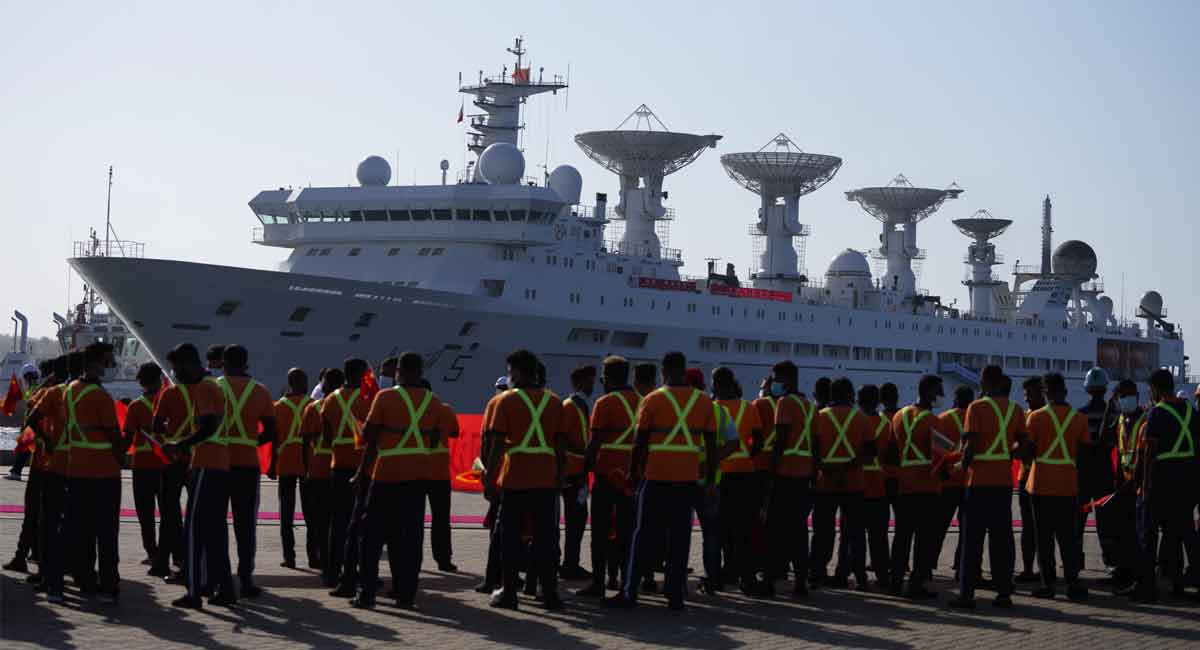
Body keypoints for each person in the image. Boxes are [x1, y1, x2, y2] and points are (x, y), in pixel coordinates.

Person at [608, 350, 717, 611]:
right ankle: (675, 595)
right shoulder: (703, 402)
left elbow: (640, 443)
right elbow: (711, 448)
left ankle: (630, 591)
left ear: (664, 370)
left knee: (642, 535)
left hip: (655, 477)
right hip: (687, 479)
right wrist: (711, 481)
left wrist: (633, 476)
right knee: (680, 538)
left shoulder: (653, 400)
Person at [353, 351, 453, 609]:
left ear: (399, 371)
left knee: (372, 537)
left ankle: (366, 594)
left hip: (386, 474)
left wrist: (362, 474)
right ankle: (405, 595)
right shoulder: (434, 401)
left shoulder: (385, 397)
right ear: (421, 372)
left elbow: (370, 438)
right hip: (419, 475)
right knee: (409, 538)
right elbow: (434, 439)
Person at [485, 349, 566, 610]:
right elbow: (560, 445)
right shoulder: (554, 401)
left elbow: (497, 444)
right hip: (546, 479)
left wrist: (489, 478)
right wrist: (560, 476)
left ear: (518, 372)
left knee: (509, 535)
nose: (509, 377)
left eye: (510, 372)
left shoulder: (505, 401)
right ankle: (549, 592)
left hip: (515, 478)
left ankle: (509, 592)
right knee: (546, 537)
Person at [39, 343, 121, 604]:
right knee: (106, 534)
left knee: (71, 529)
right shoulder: (102, 397)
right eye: (108, 362)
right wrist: (120, 457)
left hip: (76, 469)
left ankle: (55, 585)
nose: (110, 367)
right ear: (96, 363)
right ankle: (107, 588)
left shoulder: (70, 391)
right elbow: (113, 436)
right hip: (104, 472)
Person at [157, 343, 234, 609]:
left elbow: (208, 425)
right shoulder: (216, 386)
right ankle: (224, 588)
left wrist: (181, 445)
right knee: (215, 531)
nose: (176, 373)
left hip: (207, 463)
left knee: (193, 531)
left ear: (188, 363)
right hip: (220, 462)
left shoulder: (202, 388)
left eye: (177, 367)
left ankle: (193, 592)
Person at [948, 366, 1024, 610]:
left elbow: (970, 447)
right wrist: (1005, 453)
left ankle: (967, 594)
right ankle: (1004, 593)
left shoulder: (976, 408)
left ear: (986, 381)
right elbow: (1024, 447)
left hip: (978, 481)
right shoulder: (1016, 410)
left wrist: (960, 466)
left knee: (973, 540)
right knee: (1002, 539)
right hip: (1003, 482)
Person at [1130, 369, 1199, 602]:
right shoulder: (1191, 411)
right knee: (1177, 534)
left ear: (1156, 389)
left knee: (1148, 536)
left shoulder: (1157, 413)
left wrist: (1145, 484)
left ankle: (1146, 588)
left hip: (1162, 480)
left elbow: (1150, 451)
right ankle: (1177, 585)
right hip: (1187, 481)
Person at [214, 344, 276, 598]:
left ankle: (221, 582)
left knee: (217, 523)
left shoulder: (214, 388)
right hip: (248, 464)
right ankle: (246, 578)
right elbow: (271, 431)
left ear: (223, 363)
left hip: (218, 463)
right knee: (245, 524)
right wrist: (250, 442)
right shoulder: (260, 392)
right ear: (247, 362)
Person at [1024, 372, 1091, 600]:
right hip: (1068, 486)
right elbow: (1083, 455)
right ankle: (1072, 583)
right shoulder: (1079, 419)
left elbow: (1028, 452)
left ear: (1046, 392)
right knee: (1068, 539)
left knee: (1044, 540)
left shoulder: (1035, 418)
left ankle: (1047, 584)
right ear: (1064, 390)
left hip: (1040, 484)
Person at [578, 356, 640, 598]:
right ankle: (626, 583)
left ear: (610, 377)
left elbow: (594, 443)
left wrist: (584, 470)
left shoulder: (604, 403)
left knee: (600, 533)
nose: (601, 379)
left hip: (606, 476)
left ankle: (598, 583)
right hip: (630, 477)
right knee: (627, 532)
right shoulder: (642, 401)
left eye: (604, 375)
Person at [810, 377, 872, 591]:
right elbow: (869, 453)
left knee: (822, 533)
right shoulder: (862, 419)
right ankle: (860, 578)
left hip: (824, 484)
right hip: (854, 484)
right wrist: (846, 469)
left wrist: (830, 470)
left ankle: (817, 574)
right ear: (851, 395)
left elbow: (814, 452)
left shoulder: (819, 417)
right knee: (855, 533)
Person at [885, 375, 942, 599]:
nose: (940, 397)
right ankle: (916, 585)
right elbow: (940, 458)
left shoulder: (898, 416)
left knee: (901, 537)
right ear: (928, 391)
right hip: (927, 486)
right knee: (923, 539)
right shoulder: (934, 422)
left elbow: (890, 454)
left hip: (902, 485)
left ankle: (895, 583)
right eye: (938, 391)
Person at [23, 354, 74, 591]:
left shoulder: (52, 393)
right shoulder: (79, 393)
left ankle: (46, 568)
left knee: (43, 516)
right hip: (75, 465)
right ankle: (71, 567)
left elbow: (31, 411)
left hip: (47, 463)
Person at [763, 361, 815, 595]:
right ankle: (801, 579)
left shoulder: (784, 403)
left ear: (789, 379)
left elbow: (780, 441)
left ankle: (769, 580)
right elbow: (816, 442)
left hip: (785, 473)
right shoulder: (808, 405)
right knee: (799, 529)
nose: (774, 382)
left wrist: (770, 474)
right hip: (804, 474)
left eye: (777, 378)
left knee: (774, 528)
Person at [714, 365, 765, 596]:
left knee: (722, 526)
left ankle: (728, 569)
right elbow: (760, 440)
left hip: (720, 473)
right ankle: (747, 576)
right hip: (746, 473)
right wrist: (749, 457)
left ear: (716, 385)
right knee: (744, 527)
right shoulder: (748, 407)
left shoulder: (713, 408)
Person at [323, 358, 371, 595]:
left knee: (338, 521)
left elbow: (325, 436)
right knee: (361, 523)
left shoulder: (331, 399)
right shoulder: (368, 398)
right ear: (362, 374)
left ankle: (332, 571)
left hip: (338, 464)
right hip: (363, 467)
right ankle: (357, 572)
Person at [3, 359, 56, 571]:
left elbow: (31, 400)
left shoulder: (41, 389)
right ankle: (36, 553)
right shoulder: (45, 387)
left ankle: (32, 554)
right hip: (38, 436)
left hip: (36, 434)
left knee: (35, 511)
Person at [846, 384, 891, 589]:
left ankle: (860, 578)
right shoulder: (886, 424)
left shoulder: (853, 422)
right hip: (878, 484)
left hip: (856, 481)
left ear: (858, 400)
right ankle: (882, 576)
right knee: (879, 536)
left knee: (855, 535)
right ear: (878, 401)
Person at [124, 363, 165, 566]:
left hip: (141, 466)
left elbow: (128, 437)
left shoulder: (136, 406)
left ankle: (152, 552)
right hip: (165, 464)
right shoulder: (170, 401)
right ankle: (171, 553)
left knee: (145, 513)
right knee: (168, 511)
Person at [1107, 379, 1145, 592]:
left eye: (1128, 394)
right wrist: (1108, 407)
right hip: (1123, 483)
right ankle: (1123, 573)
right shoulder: (1120, 420)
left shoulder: (1143, 419)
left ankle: (1135, 577)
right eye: (1121, 396)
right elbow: (1105, 439)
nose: (1126, 399)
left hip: (1137, 485)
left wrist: (1134, 481)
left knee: (1136, 534)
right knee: (1123, 532)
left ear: (1137, 396)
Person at [303, 368, 343, 572]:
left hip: (318, 470)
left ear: (324, 385)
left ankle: (316, 558)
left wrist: (306, 469)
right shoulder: (352, 406)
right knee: (339, 520)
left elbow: (305, 440)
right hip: (342, 468)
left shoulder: (312, 408)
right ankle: (338, 561)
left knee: (316, 520)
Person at [475, 375, 512, 595]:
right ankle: (498, 576)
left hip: (503, 477)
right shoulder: (501, 406)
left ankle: (496, 577)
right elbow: (485, 445)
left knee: (500, 530)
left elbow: (486, 445)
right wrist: (484, 475)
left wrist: (484, 476)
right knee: (501, 529)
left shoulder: (496, 407)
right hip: (503, 477)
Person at [559, 364, 596, 581]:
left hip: (577, 470)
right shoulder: (572, 406)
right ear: (579, 382)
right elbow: (564, 440)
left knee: (578, 520)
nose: (593, 385)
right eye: (590, 381)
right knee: (576, 519)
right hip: (573, 472)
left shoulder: (578, 405)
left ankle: (570, 562)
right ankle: (570, 564)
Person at [1078, 367, 1116, 570]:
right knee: (1106, 521)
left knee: (1079, 519)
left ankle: (1076, 560)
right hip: (1104, 471)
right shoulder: (1113, 413)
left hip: (1084, 471)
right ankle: (1110, 562)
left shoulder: (1080, 413)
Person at [272, 368, 311, 569]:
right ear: (304, 382)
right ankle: (315, 556)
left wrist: (271, 466)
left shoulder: (278, 406)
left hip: (285, 462)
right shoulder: (312, 405)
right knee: (311, 512)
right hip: (307, 463)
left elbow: (273, 437)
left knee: (285, 514)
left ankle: (289, 557)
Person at [933, 385, 973, 577]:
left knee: (938, 526)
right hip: (969, 481)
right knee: (967, 530)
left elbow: (937, 452)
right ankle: (961, 565)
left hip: (947, 480)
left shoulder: (943, 419)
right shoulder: (975, 417)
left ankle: (929, 564)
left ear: (955, 399)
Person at [1015, 375, 1047, 583]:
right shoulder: (1025, 416)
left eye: (1030, 395)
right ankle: (1029, 569)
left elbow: (1023, 450)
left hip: (1041, 478)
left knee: (1042, 529)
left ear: (1042, 393)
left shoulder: (1042, 417)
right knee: (1029, 528)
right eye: (1025, 395)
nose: (1026, 399)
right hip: (1027, 478)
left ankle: (1044, 572)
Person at [428, 389, 459, 572]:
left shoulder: (409, 410)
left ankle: (409, 559)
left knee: (411, 520)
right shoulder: (445, 409)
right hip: (439, 473)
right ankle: (444, 559)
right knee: (441, 518)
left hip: (414, 470)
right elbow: (455, 432)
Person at [5, 364, 42, 481]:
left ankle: (16, 471)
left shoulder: (34, 389)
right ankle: (16, 471)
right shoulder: (36, 388)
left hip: (32, 425)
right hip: (32, 424)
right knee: (25, 450)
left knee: (24, 450)